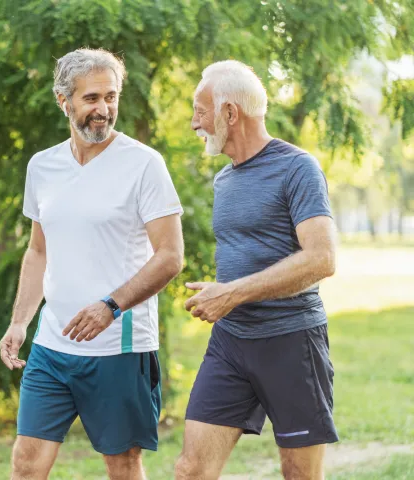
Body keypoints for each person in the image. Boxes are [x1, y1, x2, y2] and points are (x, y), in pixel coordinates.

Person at [0, 48, 184, 480]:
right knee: (26, 462)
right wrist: (20, 322)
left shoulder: (144, 164)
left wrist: (111, 305)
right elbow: (38, 252)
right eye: (91, 99)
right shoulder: (42, 166)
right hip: (52, 346)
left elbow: (171, 256)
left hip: (119, 348)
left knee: (122, 464)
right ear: (63, 101)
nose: (104, 110)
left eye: (111, 97)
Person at [176, 60, 338, 480]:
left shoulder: (298, 168)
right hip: (231, 342)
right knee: (191, 470)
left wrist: (232, 293)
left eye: (201, 110)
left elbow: (322, 259)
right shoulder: (224, 181)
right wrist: (227, 297)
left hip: (291, 340)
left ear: (230, 113)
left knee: (299, 474)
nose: (195, 123)